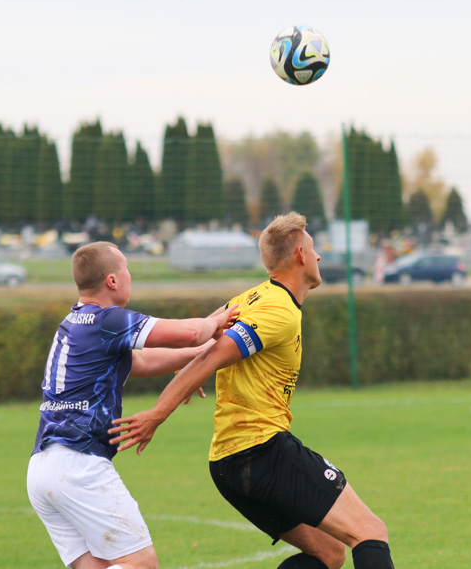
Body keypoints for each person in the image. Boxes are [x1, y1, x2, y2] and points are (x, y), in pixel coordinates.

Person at [109, 213, 395, 569]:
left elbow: (203, 343)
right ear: (301, 257)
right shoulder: (279, 310)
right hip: (260, 452)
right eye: (313, 247)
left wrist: (187, 373)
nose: (319, 255)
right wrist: (157, 414)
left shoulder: (249, 299)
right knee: (370, 531)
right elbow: (213, 354)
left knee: (329, 553)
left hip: (227, 465)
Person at [27, 241, 238, 569]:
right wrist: (225, 319)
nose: (129, 277)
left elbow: (141, 362)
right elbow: (194, 332)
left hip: (42, 468)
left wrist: (199, 360)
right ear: (112, 280)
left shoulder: (74, 322)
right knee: (141, 563)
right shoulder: (107, 320)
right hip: (78, 465)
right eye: (127, 270)